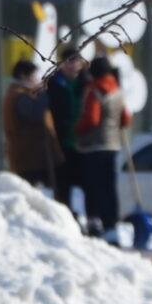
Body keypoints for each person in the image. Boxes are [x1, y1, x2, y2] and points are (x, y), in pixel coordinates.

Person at [75, 59, 131, 236]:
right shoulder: (118, 91)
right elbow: (126, 119)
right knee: (109, 187)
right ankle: (111, 224)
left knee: (94, 187)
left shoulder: (94, 91)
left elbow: (92, 119)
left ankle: (96, 222)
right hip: (113, 145)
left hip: (94, 145)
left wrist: (77, 129)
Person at [0, 57, 61, 195]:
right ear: (23, 76)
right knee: (33, 195)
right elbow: (35, 114)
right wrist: (44, 94)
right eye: (34, 75)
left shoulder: (21, 94)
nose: (37, 80)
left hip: (30, 158)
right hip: (29, 160)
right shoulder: (19, 96)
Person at [46, 45, 87, 214]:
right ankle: (65, 213)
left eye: (75, 61)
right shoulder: (54, 83)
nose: (72, 65)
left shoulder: (86, 82)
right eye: (68, 61)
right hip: (62, 140)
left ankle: (88, 215)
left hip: (84, 140)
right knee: (63, 181)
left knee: (86, 181)